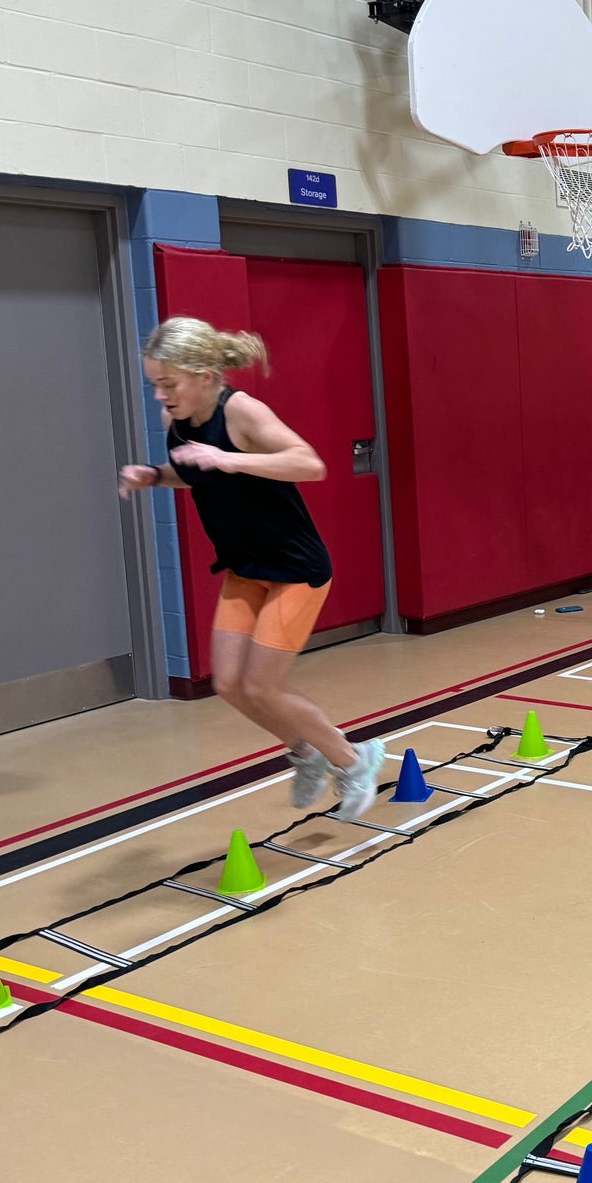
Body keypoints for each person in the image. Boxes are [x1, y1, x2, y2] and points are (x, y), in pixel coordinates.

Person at [118, 317, 385, 819]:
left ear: (202, 376)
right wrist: (154, 475)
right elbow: (196, 473)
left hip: (294, 568)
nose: (160, 395)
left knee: (263, 686)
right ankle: (304, 752)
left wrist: (231, 460)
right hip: (245, 567)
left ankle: (355, 760)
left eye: (168, 384)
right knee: (228, 684)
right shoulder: (179, 420)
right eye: (154, 384)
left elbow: (309, 464)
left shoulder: (241, 411)